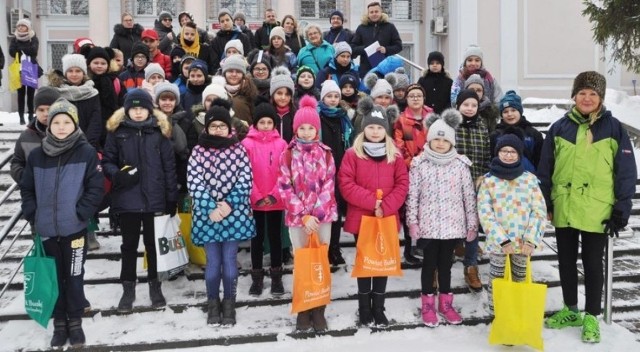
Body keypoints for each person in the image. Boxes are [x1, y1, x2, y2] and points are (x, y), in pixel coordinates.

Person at [539, 71, 637, 344]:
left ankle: (592, 315)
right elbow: (546, 168)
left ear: (601, 98)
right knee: (566, 262)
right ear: (574, 96)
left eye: (592, 93)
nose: (586, 98)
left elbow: (626, 171)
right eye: (582, 93)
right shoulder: (559, 127)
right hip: (565, 206)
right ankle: (571, 310)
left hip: (598, 209)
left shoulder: (614, 128)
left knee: (593, 264)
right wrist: (545, 201)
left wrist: (622, 207)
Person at [21, 98, 104, 348]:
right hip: (46, 230)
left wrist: (82, 212)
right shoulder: (37, 155)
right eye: (56, 121)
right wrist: (32, 212)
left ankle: (75, 321)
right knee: (53, 278)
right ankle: (59, 322)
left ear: (74, 124)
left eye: (66, 122)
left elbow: (95, 187)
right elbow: (27, 189)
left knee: (74, 275)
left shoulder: (86, 152)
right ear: (49, 125)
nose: (60, 126)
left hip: (75, 229)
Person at [102, 89, 177, 313]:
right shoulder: (118, 132)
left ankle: (155, 286)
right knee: (128, 246)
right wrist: (117, 175)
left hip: (154, 199)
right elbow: (107, 161)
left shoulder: (159, 132)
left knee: (152, 246)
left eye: (141, 108)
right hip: (127, 199)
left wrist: (171, 197)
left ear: (149, 109)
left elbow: (169, 167)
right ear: (127, 110)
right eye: (133, 108)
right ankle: (128, 287)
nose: (137, 112)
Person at [338, 104, 409, 327]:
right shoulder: (352, 154)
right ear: (364, 129)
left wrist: (386, 206)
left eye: (379, 127)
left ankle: (378, 307)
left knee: (382, 263)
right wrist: (372, 202)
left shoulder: (394, 155)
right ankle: (364, 308)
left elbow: (402, 184)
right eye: (371, 127)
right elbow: (346, 184)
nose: (375, 132)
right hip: (363, 219)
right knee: (365, 263)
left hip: (385, 218)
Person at [406, 109, 477, 327]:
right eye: (435, 138)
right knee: (429, 265)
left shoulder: (460, 165)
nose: (439, 143)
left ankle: (445, 304)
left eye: (443, 139)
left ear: (451, 142)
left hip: (452, 225)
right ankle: (428, 304)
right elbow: (413, 195)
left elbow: (468, 196)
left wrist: (471, 224)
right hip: (428, 225)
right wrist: (412, 222)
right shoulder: (420, 164)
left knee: (446, 266)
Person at [187, 99, 255, 326]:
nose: (218, 129)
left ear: (229, 127)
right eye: (213, 125)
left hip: (233, 215)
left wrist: (229, 204)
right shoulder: (198, 151)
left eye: (221, 125)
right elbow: (194, 181)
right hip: (208, 217)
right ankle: (213, 302)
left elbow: (246, 179)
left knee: (229, 259)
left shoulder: (238, 149)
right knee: (213, 262)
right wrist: (209, 206)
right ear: (207, 127)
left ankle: (229, 302)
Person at [278, 95, 338, 332]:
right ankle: (304, 307)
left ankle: (319, 307)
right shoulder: (288, 154)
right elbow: (284, 186)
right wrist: (303, 214)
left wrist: (316, 215)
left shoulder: (326, 153)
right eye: (301, 128)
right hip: (297, 219)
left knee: (319, 262)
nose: (305, 132)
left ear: (317, 129)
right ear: (295, 129)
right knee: (302, 262)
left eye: (310, 128)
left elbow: (329, 186)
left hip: (322, 218)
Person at [477, 133, 547, 315]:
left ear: (519, 154)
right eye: (504, 151)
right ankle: (498, 316)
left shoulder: (529, 180)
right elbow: (485, 213)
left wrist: (531, 239)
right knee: (497, 281)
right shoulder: (488, 181)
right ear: (497, 153)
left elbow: (539, 211)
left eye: (512, 151)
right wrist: (502, 240)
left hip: (524, 244)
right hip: (500, 244)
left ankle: (517, 316)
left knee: (520, 279)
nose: (508, 155)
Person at [241, 102, 288, 297]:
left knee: (275, 238)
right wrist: (257, 196)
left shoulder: (282, 144)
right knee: (257, 239)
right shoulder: (247, 144)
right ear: (256, 123)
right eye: (262, 122)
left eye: (270, 122)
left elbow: (285, 171)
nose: (266, 125)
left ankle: (276, 275)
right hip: (256, 201)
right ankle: (257, 277)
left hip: (275, 199)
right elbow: (244, 172)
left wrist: (273, 194)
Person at [453, 88, 490, 292]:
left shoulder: (482, 127)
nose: (469, 108)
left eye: (473, 105)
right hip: (452, 182)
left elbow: (485, 154)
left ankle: (471, 267)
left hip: (475, 182)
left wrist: (482, 177)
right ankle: (441, 267)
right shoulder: (451, 125)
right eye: (465, 104)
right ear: (458, 105)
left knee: (473, 224)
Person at [393, 84, 433, 263]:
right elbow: (399, 144)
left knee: (427, 207)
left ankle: (425, 246)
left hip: (430, 169)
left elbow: (436, 141)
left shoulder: (432, 118)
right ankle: (409, 248)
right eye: (412, 96)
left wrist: (427, 160)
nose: (416, 98)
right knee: (409, 208)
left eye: (419, 95)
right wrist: (412, 162)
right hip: (409, 169)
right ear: (406, 99)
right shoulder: (402, 120)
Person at [318, 80, 353, 265]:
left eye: (336, 96)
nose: (332, 100)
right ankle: (322, 248)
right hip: (321, 171)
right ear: (323, 97)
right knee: (322, 212)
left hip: (340, 169)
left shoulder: (343, 117)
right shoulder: (317, 116)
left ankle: (334, 247)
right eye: (329, 96)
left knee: (337, 212)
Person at [47, 54, 103, 150]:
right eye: (70, 71)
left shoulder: (92, 93)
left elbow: (95, 120)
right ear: (65, 73)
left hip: (88, 144)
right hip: (62, 144)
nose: (74, 74)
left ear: (83, 73)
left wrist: (88, 144)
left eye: (78, 71)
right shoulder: (57, 92)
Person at [11, 87, 61, 184]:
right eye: (41, 110)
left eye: (49, 109)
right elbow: (17, 162)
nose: (46, 114)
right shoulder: (26, 136)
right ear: (35, 111)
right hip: (34, 193)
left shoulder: (71, 133)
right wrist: (26, 179)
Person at [490, 90, 543, 174]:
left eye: (513, 110)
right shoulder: (495, 135)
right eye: (505, 111)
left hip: (528, 179)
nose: (509, 114)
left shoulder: (533, 134)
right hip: (501, 179)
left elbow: (540, 160)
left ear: (520, 111)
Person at [86, 46, 127, 148]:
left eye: (103, 63)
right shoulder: (85, 83)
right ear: (89, 64)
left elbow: (123, 103)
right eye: (96, 63)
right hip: (89, 128)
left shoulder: (115, 81)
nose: (99, 66)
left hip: (112, 126)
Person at [351, 2, 402, 78]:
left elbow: (399, 46)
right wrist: (365, 48)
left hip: (385, 69)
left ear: (381, 12)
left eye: (376, 11)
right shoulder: (361, 28)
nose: (374, 14)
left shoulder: (390, 27)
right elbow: (353, 47)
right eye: (371, 12)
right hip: (366, 69)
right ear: (368, 14)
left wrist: (386, 49)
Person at [9, 18, 41, 125]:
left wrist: (20, 49)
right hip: (19, 68)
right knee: (20, 93)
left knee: (31, 93)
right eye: (19, 26)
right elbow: (12, 52)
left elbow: (33, 51)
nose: (20, 28)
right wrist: (23, 49)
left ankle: (31, 115)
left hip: (31, 66)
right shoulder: (14, 39)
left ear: (28, 27)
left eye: (23, 26)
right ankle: (21, 116)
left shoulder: (33, 38)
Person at [211, 10, 251, 74]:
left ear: (232, 21)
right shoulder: (215, 41)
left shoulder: (243, 37)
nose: (225, 23)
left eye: (227, 20)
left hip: (240, 71)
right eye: (222, 21)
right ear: (219, 24)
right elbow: (214, 62)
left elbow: (248, 56)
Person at [221, 54, 257, 125]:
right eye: (230, 71)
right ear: (225, 73)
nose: (234, 74)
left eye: (238, 71)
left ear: (243, 74)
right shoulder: (216, 91)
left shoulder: (250, 92)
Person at [269, 67, 296, 142]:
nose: (283, 97)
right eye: (279, 93)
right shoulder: (268, 113)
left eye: (287, 94)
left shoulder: (295, 114)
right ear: (273, 94)